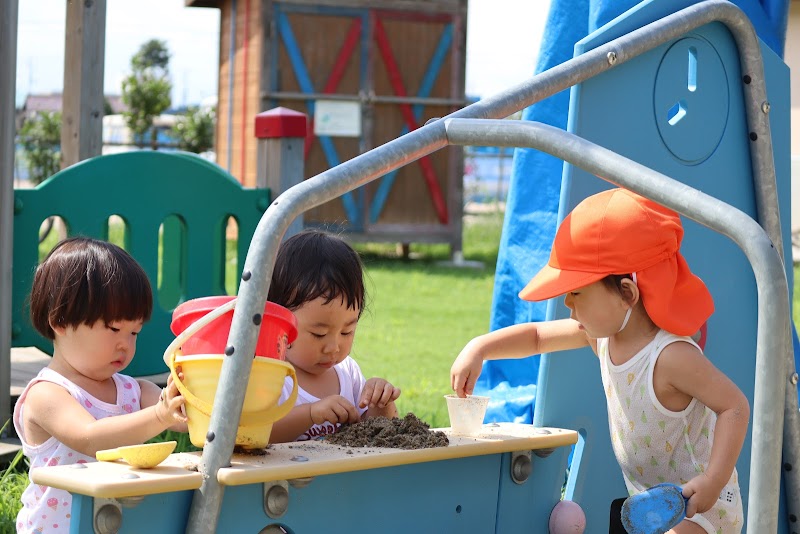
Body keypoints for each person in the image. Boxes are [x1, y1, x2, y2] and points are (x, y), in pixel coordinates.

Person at [450, 188, 748, 533]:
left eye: (576, 292)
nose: (566, 303)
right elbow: (536, 337)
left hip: (700, 507)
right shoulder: (602, 337)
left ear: (627, 294)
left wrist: (713, 480)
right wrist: (480, 347)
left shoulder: (670, 357)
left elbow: (734, 406)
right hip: (652, 503)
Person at [13, 237, 187, 534]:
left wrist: (196, 393)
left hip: (120, 524)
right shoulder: (47, 393)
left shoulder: (135, 391)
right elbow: (90, 438)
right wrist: (160, 415)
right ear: (62, 321)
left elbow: (188, 419)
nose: (125, 344)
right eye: (115, 328)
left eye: (134, 332)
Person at [268, 230, 400, 443]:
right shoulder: (270, 377)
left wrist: (381, 403)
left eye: (347, 331)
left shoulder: (348, 373)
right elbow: (255, 435)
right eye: (318, 334)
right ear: (279, 322)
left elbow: (374, 436)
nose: (333, 347)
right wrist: (310, 414)